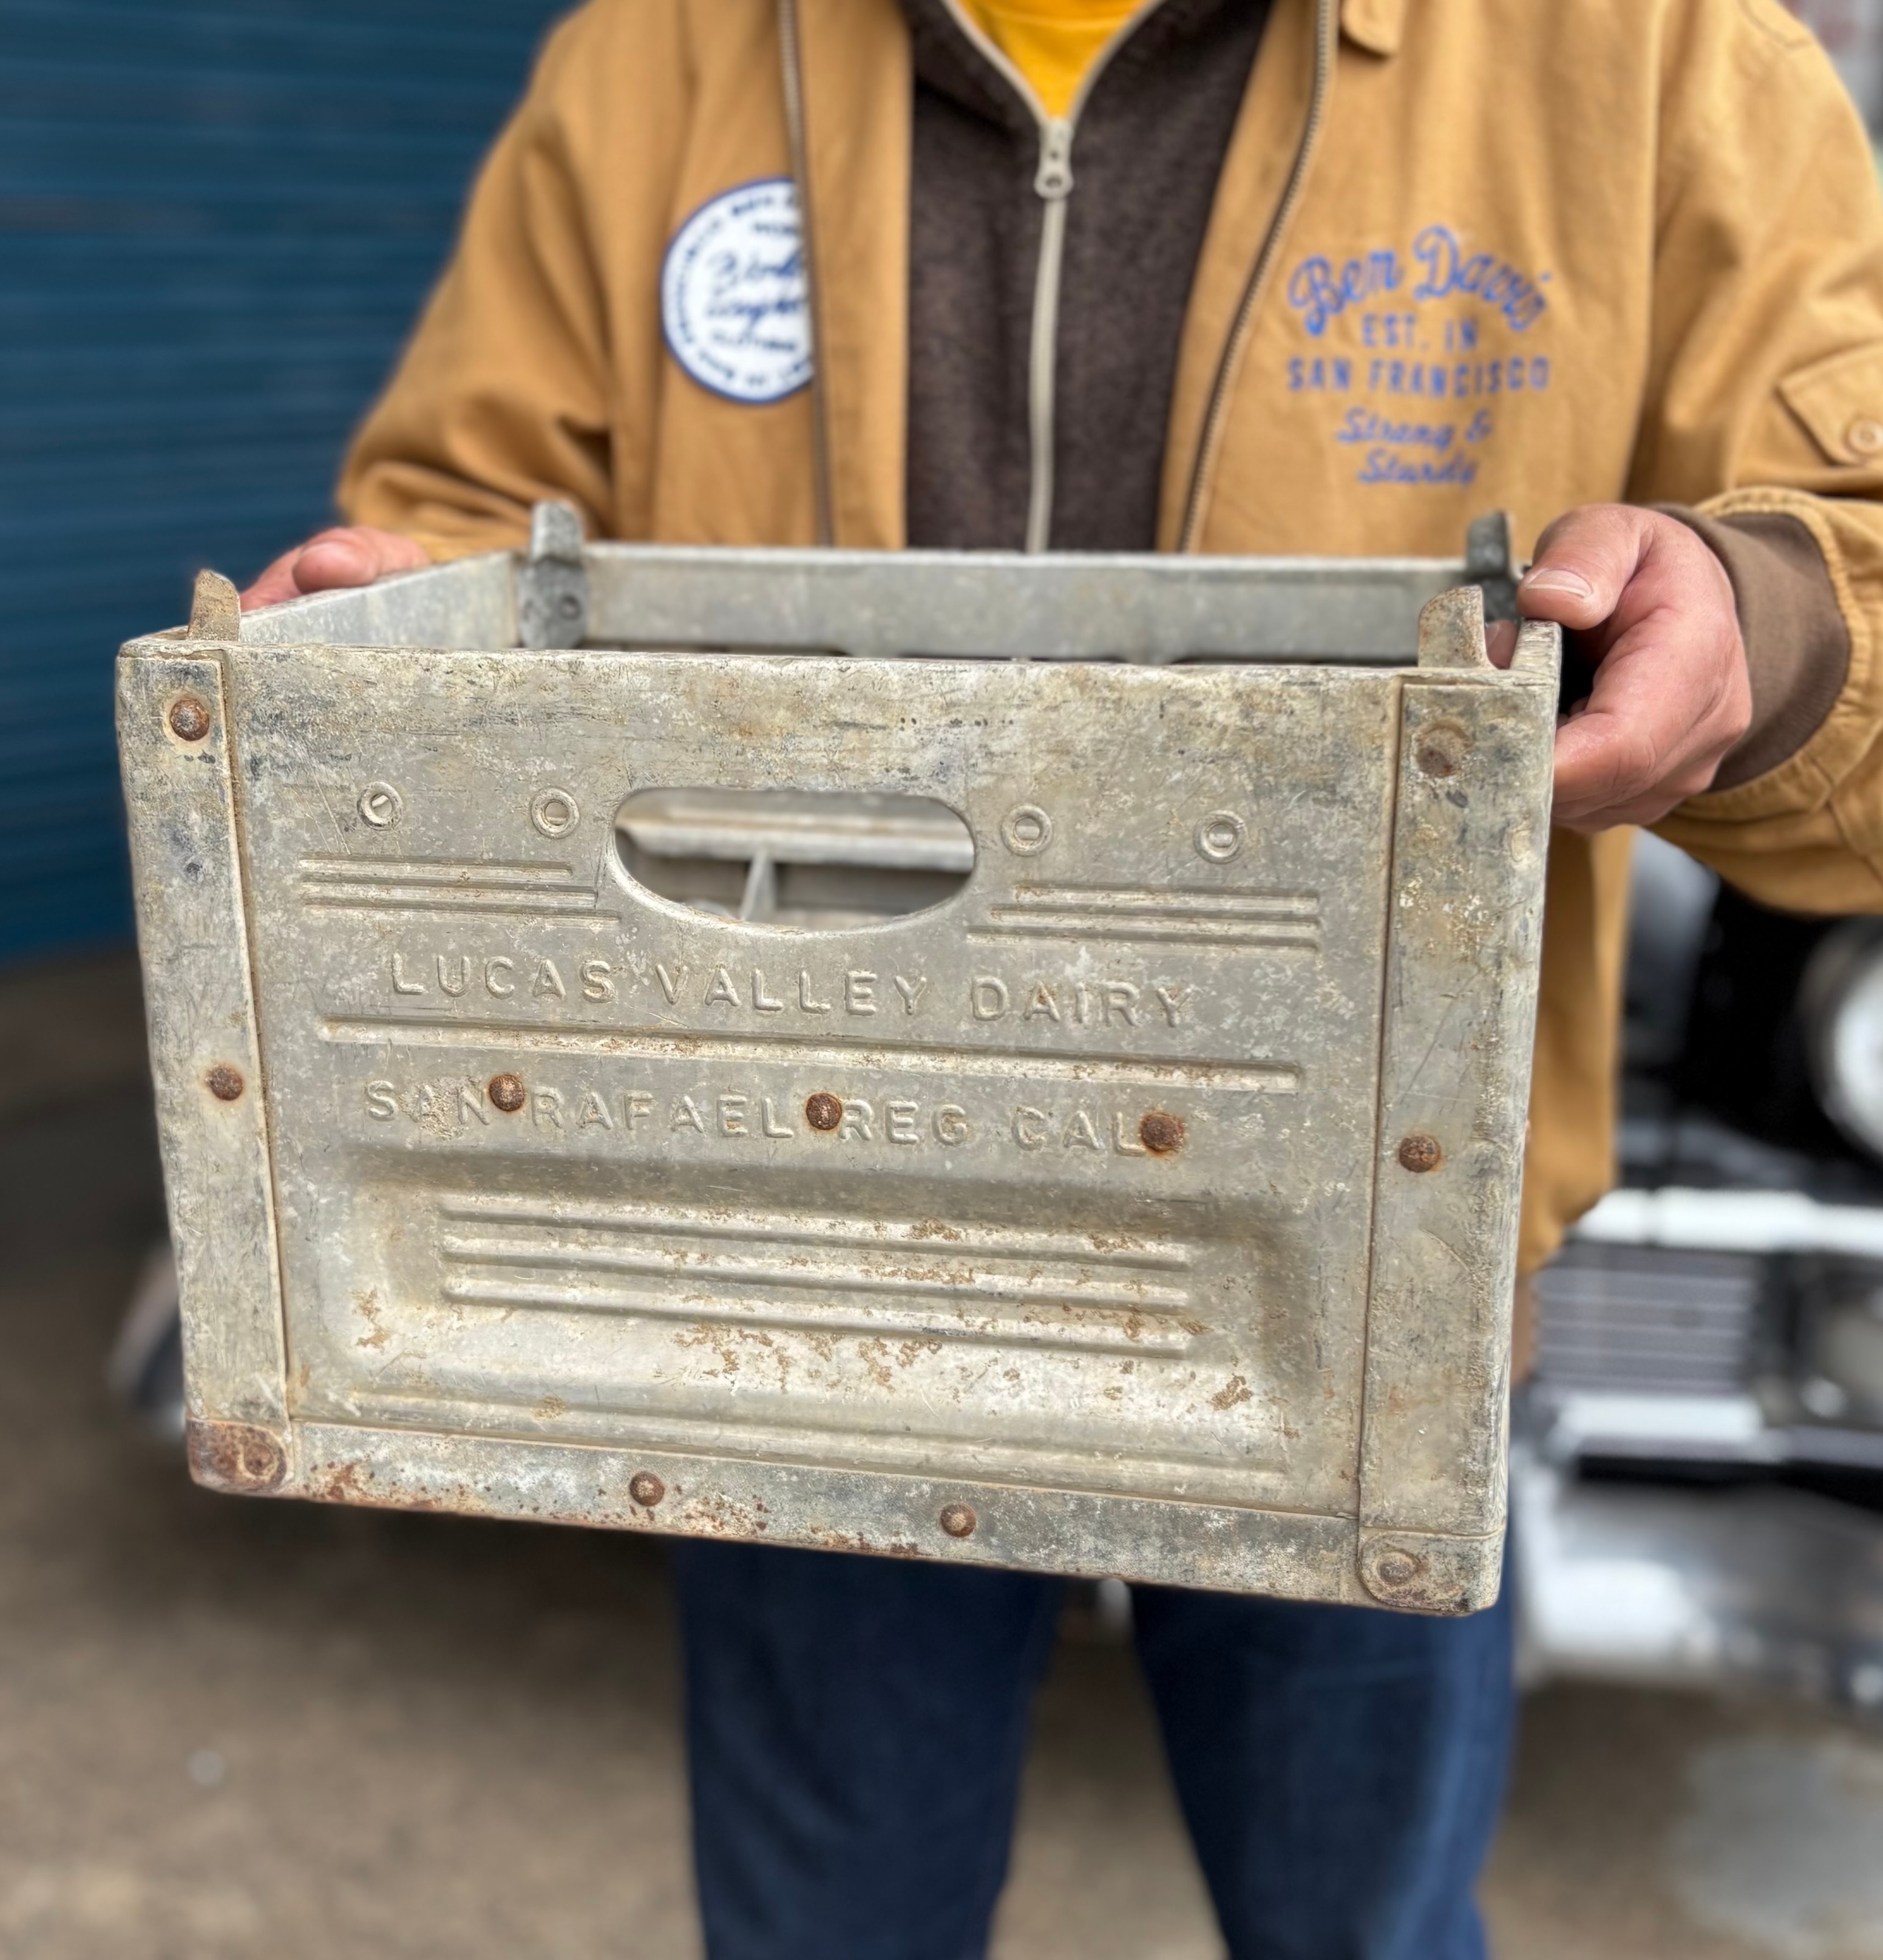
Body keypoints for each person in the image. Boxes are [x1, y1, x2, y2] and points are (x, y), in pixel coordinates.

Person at [242, 1, 1883, 1953]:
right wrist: (398, 622)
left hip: (1350, 1273)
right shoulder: (660, 56)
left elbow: (1849, 556)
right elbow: (472, 502)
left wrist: (1762, 614)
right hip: (778, 1259)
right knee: (828, 1929)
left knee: (1357, 1922)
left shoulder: (1642, 55)